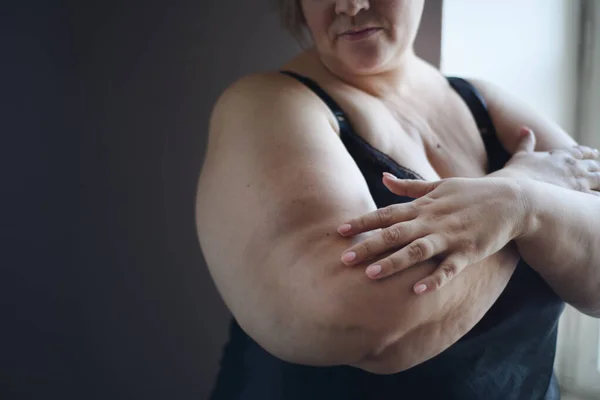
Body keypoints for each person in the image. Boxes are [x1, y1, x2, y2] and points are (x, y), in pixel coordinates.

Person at [195, 1, 600, 399]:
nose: (351, 6)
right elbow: (350, 321)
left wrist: (518, 206)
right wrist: (521, 199)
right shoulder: (266, 106)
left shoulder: (482, 101)